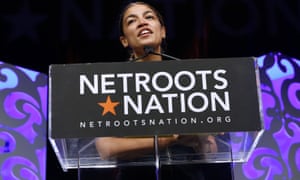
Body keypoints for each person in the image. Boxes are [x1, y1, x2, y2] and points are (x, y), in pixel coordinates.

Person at [95, 2, 231, 179]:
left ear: (163, 31)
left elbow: (210, 152)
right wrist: (168, 140)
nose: (142, 23)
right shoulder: (112, 84)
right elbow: (106, 149)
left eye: (149, 17)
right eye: (131, 21)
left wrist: (201, 137)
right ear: (124, 41)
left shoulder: (189, 81)